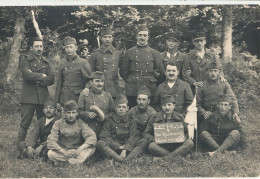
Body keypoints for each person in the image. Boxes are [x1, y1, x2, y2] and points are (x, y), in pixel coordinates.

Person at [17, 37, 54, 158]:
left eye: (41, 46)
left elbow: (51, 79)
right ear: (31, 48)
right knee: (25, 122)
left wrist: (38, 79)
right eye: (37, 46)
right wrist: (42, 75)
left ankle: (42, 146)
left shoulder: (46, 62)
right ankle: (20, 146)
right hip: (29, 96)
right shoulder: (25, 59)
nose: (39, 49)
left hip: (43, 97)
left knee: (44, 122)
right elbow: (27, 75)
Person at [120, 24, 165, 108]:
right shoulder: (129, 52)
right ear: (136, 36)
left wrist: (154, 77)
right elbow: (123, 71)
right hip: (133, 88)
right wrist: (131, 80)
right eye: (140, 35)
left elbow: (161, 73)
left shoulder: (154, 53)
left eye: (145, 35)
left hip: (149, 87)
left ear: (148, 37)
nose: (142, 37)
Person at [144, 95, 194, 160]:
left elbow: (186, 132)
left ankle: (163, 159)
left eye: (169, 105)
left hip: (176, 146)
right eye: (164, 105)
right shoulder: (154, 117)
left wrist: (184, 137)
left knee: (190, 143)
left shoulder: (179, 116)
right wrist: (153, 139)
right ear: (161, 106)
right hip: (162, 146)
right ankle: (179, 157)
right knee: (151, 146)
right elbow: (146, 133)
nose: (167, 107)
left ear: (174, 106)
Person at [47, 100, 97, 165]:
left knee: (91, 148)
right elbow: (51, 140)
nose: (71, 115)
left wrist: (80, 149)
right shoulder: (58, 123)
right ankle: (76, 162)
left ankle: (63, 163)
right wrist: (64, 152)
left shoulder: (80, 123)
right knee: (50, 154)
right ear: (64, 113)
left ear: (76, 113)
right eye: (68, 113)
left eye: (73, 113)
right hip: (63, 150)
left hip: (77, 150)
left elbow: (92, 136)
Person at [96, 94, 140, 162]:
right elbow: (104, 136)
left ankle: (123, 159)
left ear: (127, 108)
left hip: (128, 149)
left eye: (123, 107)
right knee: (100, 143)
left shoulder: (132, 120)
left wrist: (125, 149)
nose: (121, 109)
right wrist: (118, 146)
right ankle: (122, 160)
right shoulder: (109, 119)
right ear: (115, 108)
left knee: (143, 141)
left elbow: (134, 136)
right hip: (113, 149)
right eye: (119, 107)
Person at [196, 61, 240, 126]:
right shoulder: (202, 86)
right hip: (208, 114)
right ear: (207, 72)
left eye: (215, 71)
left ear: (218, 72)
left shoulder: (224, 84)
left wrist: (235, 113)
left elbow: (232, 99)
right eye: (211, 71)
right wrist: (203, 112)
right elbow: (197, 104)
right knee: (203, 131)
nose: (213, 73)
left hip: (222, 113)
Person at [55, 37, 92, 107]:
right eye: (67, 47)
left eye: (71, 47)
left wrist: (87, 88)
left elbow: (89, 80)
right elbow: (59, 83)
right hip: (64, 98)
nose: (69, 50)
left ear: (76, 48)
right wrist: (57, 100)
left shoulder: (83, 62)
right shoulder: (62, 63)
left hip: (77, 98)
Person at [88, 27, 124, 98]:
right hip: (100, 87)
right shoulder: (95, 54)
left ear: (112, 38)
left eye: (109, 37)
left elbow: (124, 70)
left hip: (114, 87)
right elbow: (90, 73)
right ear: (101, 38)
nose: (107, 39)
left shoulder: (118, 53)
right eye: (105, 37)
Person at [78, 71, 114, 138]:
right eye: (97, 81)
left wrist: (104, 117)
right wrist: (87, 114)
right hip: (89, 128)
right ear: (91, 82)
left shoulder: (108, 95)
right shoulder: (84, 95)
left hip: (104, 129)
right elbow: (78, 112)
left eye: (102, 81)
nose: (100, 84)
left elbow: (113, 113)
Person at [126, 85, 157, 160]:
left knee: (143, 142)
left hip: (143, 138)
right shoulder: (132, 111)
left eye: (144, 100)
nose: (141, 102)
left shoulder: (153, 113)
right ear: (136, 100)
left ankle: (127, 159)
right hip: (132, 136)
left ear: (148, 101)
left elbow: (151, 132)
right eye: (139, 99)